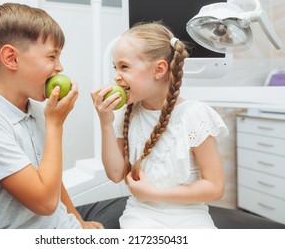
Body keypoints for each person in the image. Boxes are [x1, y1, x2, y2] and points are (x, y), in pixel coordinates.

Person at [0, 2, 126, 229]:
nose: (60, 67)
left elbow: (52, 180)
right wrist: (55, 124)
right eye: (51, 57)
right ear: (11, 58)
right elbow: (45, 202)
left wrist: (78, 220)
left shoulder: (33, 110)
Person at [91, 22, 229, 228]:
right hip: (141, 216)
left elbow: (215, 187)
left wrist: (155, 194)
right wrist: (105, 123)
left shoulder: (194, 115)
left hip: (191, 217)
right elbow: (115, 174)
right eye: (115, 67)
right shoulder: (127, 115)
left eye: (124, 67)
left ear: (159, 70)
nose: (116, 76)